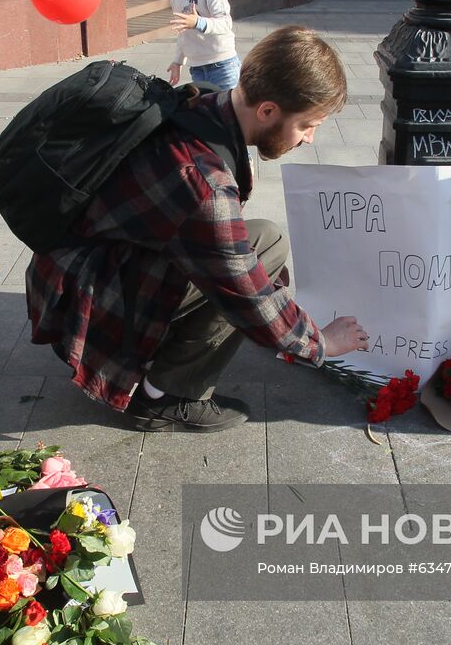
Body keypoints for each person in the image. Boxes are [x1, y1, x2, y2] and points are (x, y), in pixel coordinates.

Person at [25, 25, 369, 433]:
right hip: (93, 314)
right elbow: (246, 291)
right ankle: (162, 397)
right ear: (268, 111)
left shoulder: (199, 99)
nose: (310, 139)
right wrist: (320, 343)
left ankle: (157, 356)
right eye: (307, 124)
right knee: (251, 265)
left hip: (74, 276)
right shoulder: (203, 186)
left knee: (265, 240)